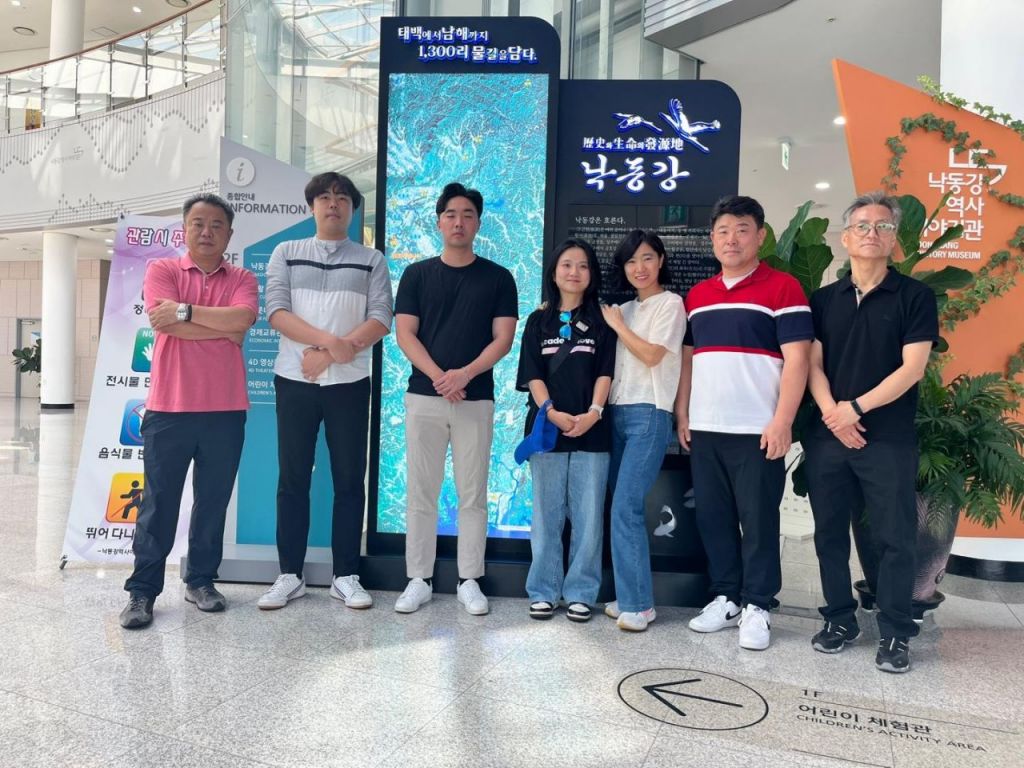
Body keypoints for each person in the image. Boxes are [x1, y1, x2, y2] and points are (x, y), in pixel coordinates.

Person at [804, 191, 937, 673]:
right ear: (845, 238)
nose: (871, 233)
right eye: (862, 226)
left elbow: (912, 369)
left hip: (888, 439)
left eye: (882, 226)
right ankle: (840, 619)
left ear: (894, 240)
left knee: (894, 537)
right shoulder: (824, 300)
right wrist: (833, 414)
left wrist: (855, 409)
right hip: (829, 437)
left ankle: (896, 632)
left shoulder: (915, 296)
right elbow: (812, 364)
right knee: (828, 534)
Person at [677, 195, 812, 650]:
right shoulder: (698, 296)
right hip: (706, 428)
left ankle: (758, 604)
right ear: (712, 239)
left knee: (758, 521)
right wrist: (684, 413)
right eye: (722, 231)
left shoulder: (784, 288)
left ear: (760, 235)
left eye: (741, 229)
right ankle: (726, 598)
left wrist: (783, 421)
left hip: (758, 430)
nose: (731, 239)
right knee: (713, 518)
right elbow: (689, 361)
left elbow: (798, 361)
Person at [119, 193, 258, 629]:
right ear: (184, 229)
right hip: (169, 409)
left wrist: (187, 316)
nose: (206, 232)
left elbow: (242, 320)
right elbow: (163, 322)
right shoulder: (162, 270)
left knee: (213, 502)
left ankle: (200, 581)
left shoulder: (242, 277)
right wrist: (220, 327)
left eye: (216, 225)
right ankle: (142, 591)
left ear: (229, 234)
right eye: (198, 223)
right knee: (158, 503)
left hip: (225, 410)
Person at [257, 172, 393, 611]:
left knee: (349, 480)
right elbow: (276, 311)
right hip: (294, 380)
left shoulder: (371, 259)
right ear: (312, 206)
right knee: (292, 478)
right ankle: (289, 574)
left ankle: (346, 575)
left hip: (349, 385)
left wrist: (331, 355)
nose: (333, 204)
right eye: (325, 197)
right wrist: (330, 343)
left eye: (342, 198)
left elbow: (381, 317)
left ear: (353, 209)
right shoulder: (286, 252)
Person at [393, 182, 518, 616]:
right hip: (423, 397)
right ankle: (418, 579)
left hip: (475, 397)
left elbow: (503, 339)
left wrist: (464, 375)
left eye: (467, 214)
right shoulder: (416, 275)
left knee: (472, 493)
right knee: (421, 491)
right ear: (439, 222)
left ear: (479, 223)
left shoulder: (498, 278)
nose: (458, 222)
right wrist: (439, 377)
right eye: (450, 214)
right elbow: (405, 334)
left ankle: (469, 580)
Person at [516, 238, 615, 622]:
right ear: (554, 273)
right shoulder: (537, 321)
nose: (574, 272)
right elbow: (532, 375)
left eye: (583, 266)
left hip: (593, 429)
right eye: (567, 265)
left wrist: (594, 412)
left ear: (592, 274)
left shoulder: (603, 321)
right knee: (546, 515)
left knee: (589, 517)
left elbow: (605, 371)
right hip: (547, 429)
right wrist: (552, 412)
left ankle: (581, 593)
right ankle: (543, 590)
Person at [600, 230, 686, 632]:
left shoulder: (671, 304)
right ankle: (631, 596)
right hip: (616, 412)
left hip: (650, 413)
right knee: (621, 506)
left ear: (661, 260)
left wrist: (618, 326)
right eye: (631, 261)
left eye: (647, 258)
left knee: (625, 506)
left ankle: (639, 605)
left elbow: (652, 355)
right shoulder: (624, 309)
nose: (639, 268)